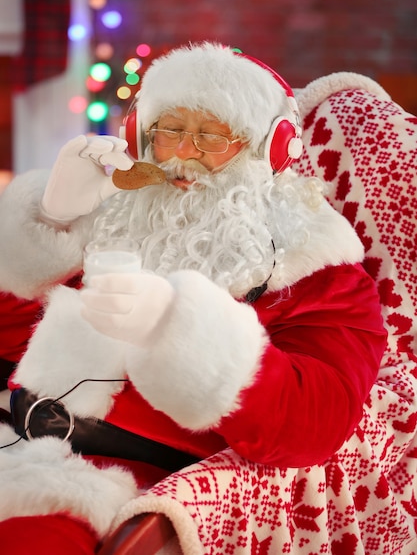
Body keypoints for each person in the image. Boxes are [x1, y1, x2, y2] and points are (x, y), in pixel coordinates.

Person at [0, 42, 388, 554]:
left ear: (268, 149)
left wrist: (176, 330)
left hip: (113, 483)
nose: (184, 155)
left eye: (210, 136)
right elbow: (10, 334)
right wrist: (50, 222)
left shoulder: (314, 267)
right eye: (170, 132)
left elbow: (318, 422)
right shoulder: (114, 209)